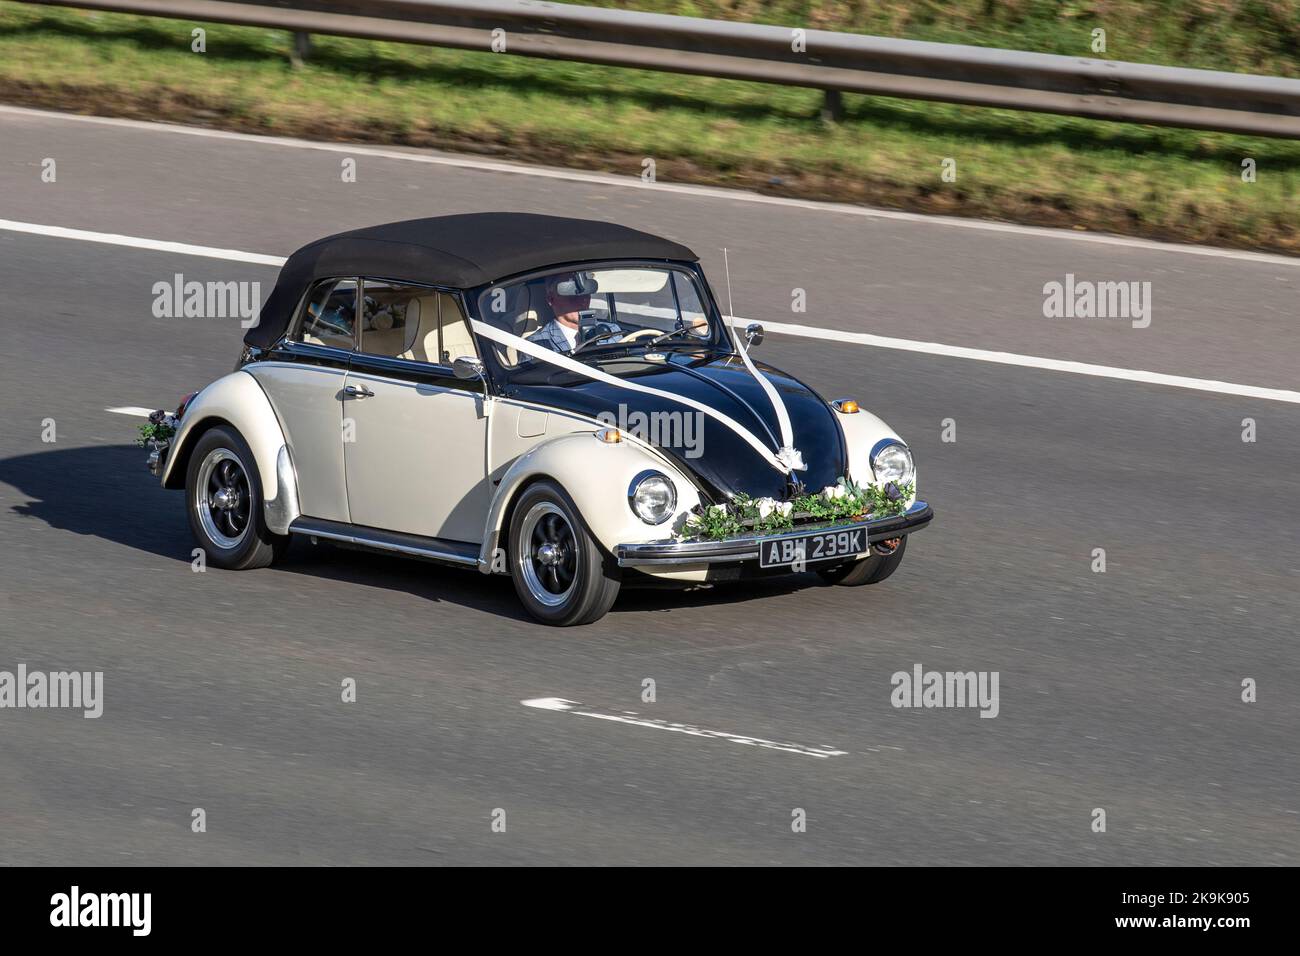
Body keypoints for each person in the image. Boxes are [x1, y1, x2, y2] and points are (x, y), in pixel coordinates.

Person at [528, 271, 619, 353]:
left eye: (586, 292)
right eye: (571, 293)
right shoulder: (537, 344)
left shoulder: (611, 331)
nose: (583, 299)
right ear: (551, 299)